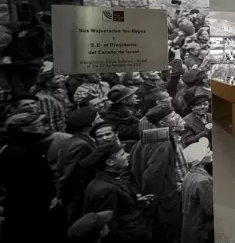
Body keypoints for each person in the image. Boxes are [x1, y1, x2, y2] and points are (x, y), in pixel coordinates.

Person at [129, 104, 187, 243]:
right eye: (173, 116)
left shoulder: (149, 136)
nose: (176, 118)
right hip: (164, 201)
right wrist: (150, 202)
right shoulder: (164, 142)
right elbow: (153, 175)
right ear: (162, 123)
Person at [0, 112, 54, 243]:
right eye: (39, 124)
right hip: (27, 214)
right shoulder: (20, 153)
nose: (44, 127)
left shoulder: (29, 148)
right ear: (24, 129)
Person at [83, 142, 150, 243]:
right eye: (122, 154)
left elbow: (119, 208)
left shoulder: (111, 179)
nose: (128, 155)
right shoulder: (105, 189)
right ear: (110, 162)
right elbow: (110, 228)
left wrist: (135, 202)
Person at [58, 108, 101, 225]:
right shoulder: (81, 145)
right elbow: (71, 173)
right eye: (98, 118)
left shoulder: (80, 139)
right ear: (90, 124)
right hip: (78, 195)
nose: (101, 119)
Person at [180, 138, 214, 243]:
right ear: (200, 159)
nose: (211, 152)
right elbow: (210, 210)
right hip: (200, 231)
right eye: (207, 152)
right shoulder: (202, 181)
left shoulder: (188, 175)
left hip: (190, 227)